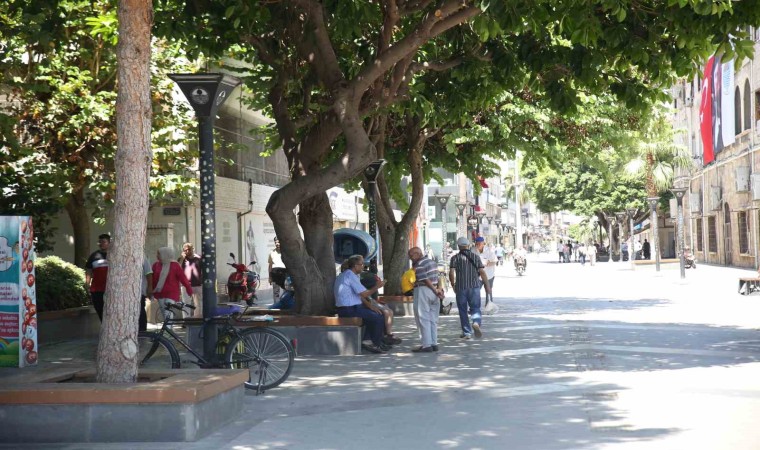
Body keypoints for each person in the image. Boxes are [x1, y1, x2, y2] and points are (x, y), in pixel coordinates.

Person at [334, 255, 388, 353]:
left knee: (375, 314)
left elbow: (359, 295)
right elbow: (364, 294)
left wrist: (370, 306)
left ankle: (369, 341)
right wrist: (377, 286)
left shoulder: (347, 275)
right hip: (348, 309)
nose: (363, 266)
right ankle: (376, 344)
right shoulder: (350, 276)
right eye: (361, 264)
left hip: (351, 308)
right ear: (355, 266)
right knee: (378, 317)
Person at [449, 237, 491, 339]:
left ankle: (467, 332)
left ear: (458, 246)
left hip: (461, 287)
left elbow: (451, 273)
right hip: (474, 287)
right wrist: (487, 286)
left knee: (462, 310)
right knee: (475, 308)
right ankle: (476, 322)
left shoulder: (455, 258)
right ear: (468, 245)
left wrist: (453, 284)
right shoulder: (476, 257)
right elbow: (482, 272)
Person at [409, 247, 444, 353]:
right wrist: (439, 290)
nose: (410, 258)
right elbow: (438, 277)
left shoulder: (419, 264)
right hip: (434, 291)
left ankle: (426, 345)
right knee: (433, 319)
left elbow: (424, 279)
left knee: (423, 318)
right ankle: (434, 343)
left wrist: (435, 290)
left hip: (423, 290)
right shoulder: (432, 262)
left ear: (417, 253)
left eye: (411, 256)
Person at [152, 247, 193, 321]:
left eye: (159, 254)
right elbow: (152, 279)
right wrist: (150, 291)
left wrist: (188, 289)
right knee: (164, 312)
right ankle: (168, 327)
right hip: (160, 293)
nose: (157, 256)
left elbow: (183, 278)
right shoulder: (156, 265)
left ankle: (168, 328)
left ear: (165, 254)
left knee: (168, 312)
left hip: (171, 294)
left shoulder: (175, 265)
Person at [85, 233, 110, 321]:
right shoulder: (94, 256)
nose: (101, 244)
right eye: (99, 242)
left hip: (111, 288)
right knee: (99, 309)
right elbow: (88, 269)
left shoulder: (114, 255)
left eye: (104, 242)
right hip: (97, 288)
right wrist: (87, 283)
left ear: (109, 243)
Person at [178, 243, 203, 318]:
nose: (187, 251)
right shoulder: (182, 259)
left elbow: (203, 270)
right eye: (185, 250)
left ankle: (198, 318)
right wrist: (182, 258)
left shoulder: (199, 258)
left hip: (197, 284)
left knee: (198, 304)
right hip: (185, 285)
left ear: (193, 249)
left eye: (189, 249)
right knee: (186, 303)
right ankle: (186, 320)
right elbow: (177, 268)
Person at [268, 237, 286, 303]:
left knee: (286, 291)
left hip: (284, 273)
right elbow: (270, 265)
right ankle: (276, 305)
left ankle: (285, 305)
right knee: (276, 292)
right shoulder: (272, 253)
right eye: (276, 242)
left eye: (278, 242)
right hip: (275, 274)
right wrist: (270, 277)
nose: (277, 244)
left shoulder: (286, 252)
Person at [139, 257, 153, 332]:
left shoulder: (143, 258)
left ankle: (143, 331)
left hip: (140, 291)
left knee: (141, 311)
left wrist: (150, 287)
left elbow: (149, 273)